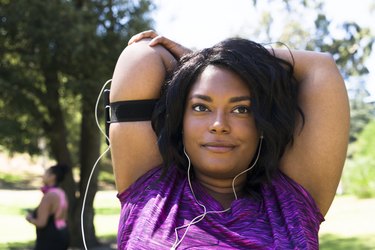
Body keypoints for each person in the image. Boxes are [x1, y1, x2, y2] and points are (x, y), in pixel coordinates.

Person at [109, 30, 349, 249]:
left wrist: (214, 57)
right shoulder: (149, 188)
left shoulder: (292, 202)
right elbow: (142, 54)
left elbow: (320, 66)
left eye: (241, 109)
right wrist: (202, 62)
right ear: (181, 121)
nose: (219, 125)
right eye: (201, 107)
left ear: (262, 125)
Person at [26, 164, 70, 250]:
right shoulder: (61, 193)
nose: (43, 176)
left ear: (52, 177)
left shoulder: (49, 196)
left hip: (49, 239)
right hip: (63, 235)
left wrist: (30, 218)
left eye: (46, 173)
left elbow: (41, 223)